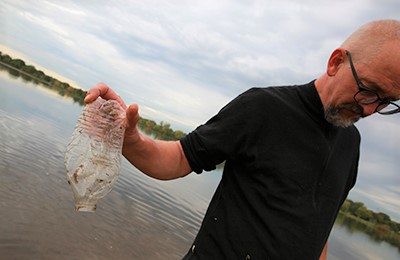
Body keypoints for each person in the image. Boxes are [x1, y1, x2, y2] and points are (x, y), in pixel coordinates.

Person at [84, 19, 400, 259]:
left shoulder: (351, 144)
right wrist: (130, 140)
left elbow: (321, 226)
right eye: (368, 90)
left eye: (386, 101)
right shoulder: (263, 109)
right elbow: (179, 158)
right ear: (336, 62)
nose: (370, 109)